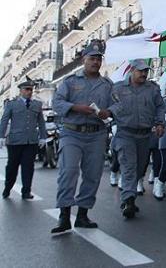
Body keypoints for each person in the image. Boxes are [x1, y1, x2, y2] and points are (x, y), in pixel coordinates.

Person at [50, 39, 114, 234]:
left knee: (93, 175)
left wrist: (108, 112)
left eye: (98, 59)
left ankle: (83, 215)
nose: (96, 62)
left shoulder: (107, 84)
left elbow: (117, 105)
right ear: (84, 59)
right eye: (92, 58)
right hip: (72, 132)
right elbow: (57, 103)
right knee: (68, 172)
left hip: (96, 134)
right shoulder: (69, 82)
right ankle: (64, 215)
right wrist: (76, 107)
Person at [109, 59, 166, 219]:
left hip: (145, 135)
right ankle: (128, 200)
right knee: (129, 167)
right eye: (140, 71)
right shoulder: (118, 88)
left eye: (146, 71)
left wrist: (160, 122)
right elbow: (109, 106)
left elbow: (160, 106)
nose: (143, 74)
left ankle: (129, 194)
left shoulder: (152, 89)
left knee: (140, 168)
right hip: (125, 134)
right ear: (131, 70)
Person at [1, 78, 46, 199]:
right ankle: (7, 187)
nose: (29, 92)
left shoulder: (37, 105)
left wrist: (43, 137)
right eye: (27, 89)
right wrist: (1, 136)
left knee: (28, 166)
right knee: (12, 166)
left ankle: (26, 191)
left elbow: (41, 122)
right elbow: (4, 120)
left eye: (31, 89)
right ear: (20, 91)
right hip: (15, 141)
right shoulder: (12, 104)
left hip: (31, 141)